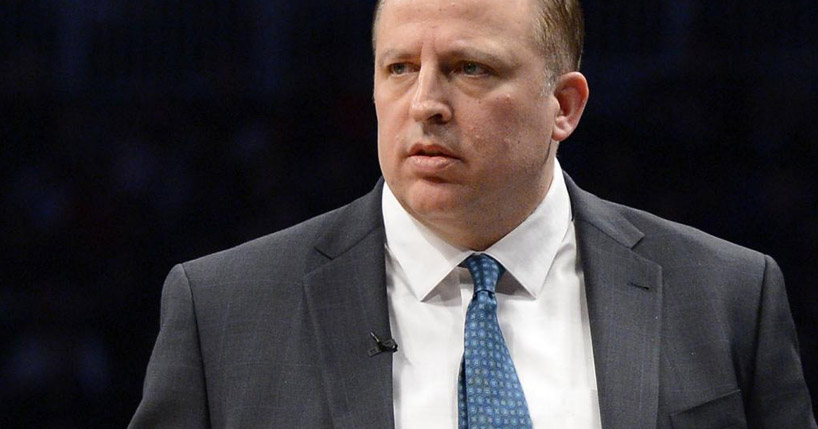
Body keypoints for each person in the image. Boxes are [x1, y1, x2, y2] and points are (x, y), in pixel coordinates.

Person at [130, 0, 816, 427]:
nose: (425, 103)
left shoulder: (727, 294)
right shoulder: (223, 311)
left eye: (470, 68)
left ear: (564, 107)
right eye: (399, 68)